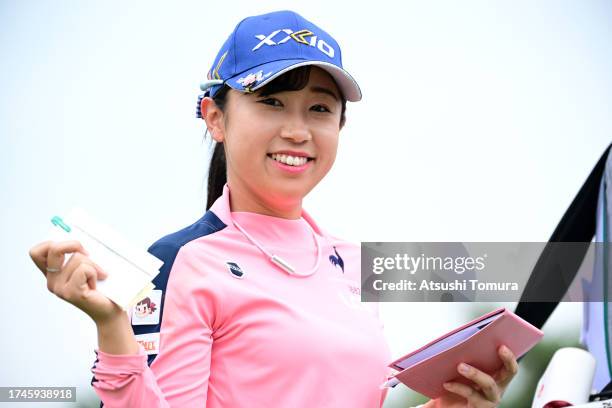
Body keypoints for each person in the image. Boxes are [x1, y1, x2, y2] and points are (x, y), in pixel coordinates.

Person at [28, 10, 518, 408]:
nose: (298, 131)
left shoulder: (350, 261)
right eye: (273, 102)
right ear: (215, 117)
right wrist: (113, 327)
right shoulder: (182, 259)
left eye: (320, 109)